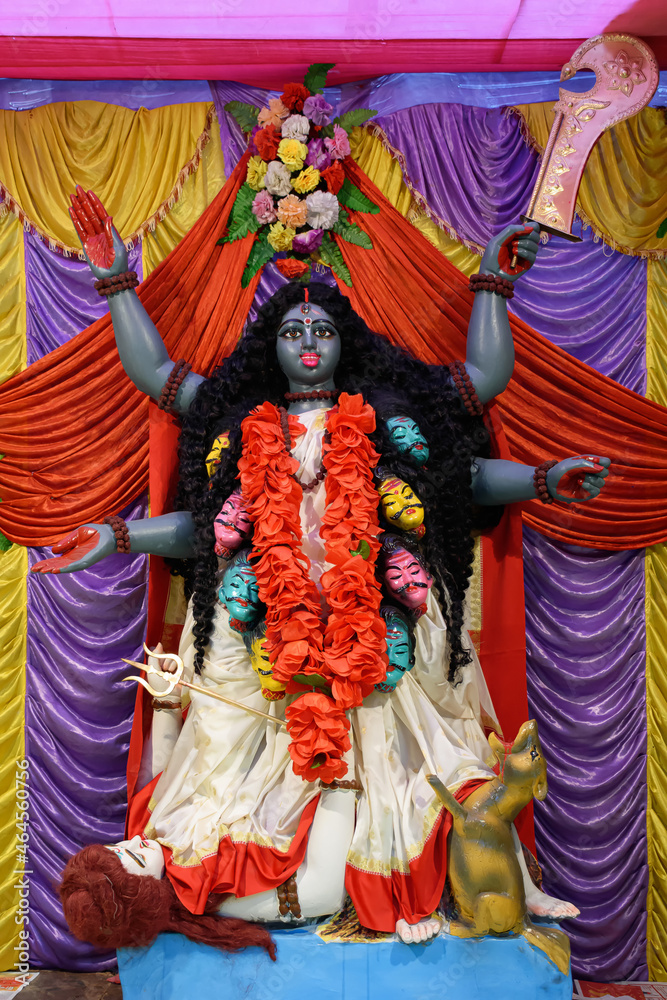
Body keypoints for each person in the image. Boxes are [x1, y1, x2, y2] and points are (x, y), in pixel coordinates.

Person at [37, 188, 607, 944]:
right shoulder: (244, 423)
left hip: (381, 621)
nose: (308, 340)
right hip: (263, 629)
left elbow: (473, 423)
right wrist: (119, 534)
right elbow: (165, 398)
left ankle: (474, 885)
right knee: (218, 760)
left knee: (429, 752)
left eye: (322, 328)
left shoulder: (384, 410)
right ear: (269, 346)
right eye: (293, 329)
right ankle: (259, 882)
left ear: (345, 343)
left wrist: (539, 473)